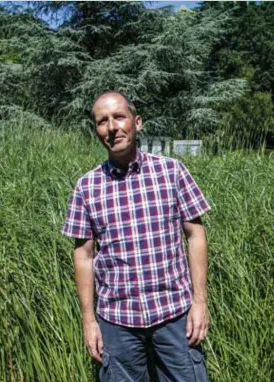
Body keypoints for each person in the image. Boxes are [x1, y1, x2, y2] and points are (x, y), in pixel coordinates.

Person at [62, 90, 211, 382]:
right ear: (97, 131)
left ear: (137, 122)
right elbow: (83, 255)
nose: (112, 127)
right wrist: (89, 320)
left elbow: (195, 235)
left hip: (175, 315)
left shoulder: (172, 172)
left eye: (119, 117)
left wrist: (200, 302)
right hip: (117, 323)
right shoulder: (86, 187)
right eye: (102, 121)